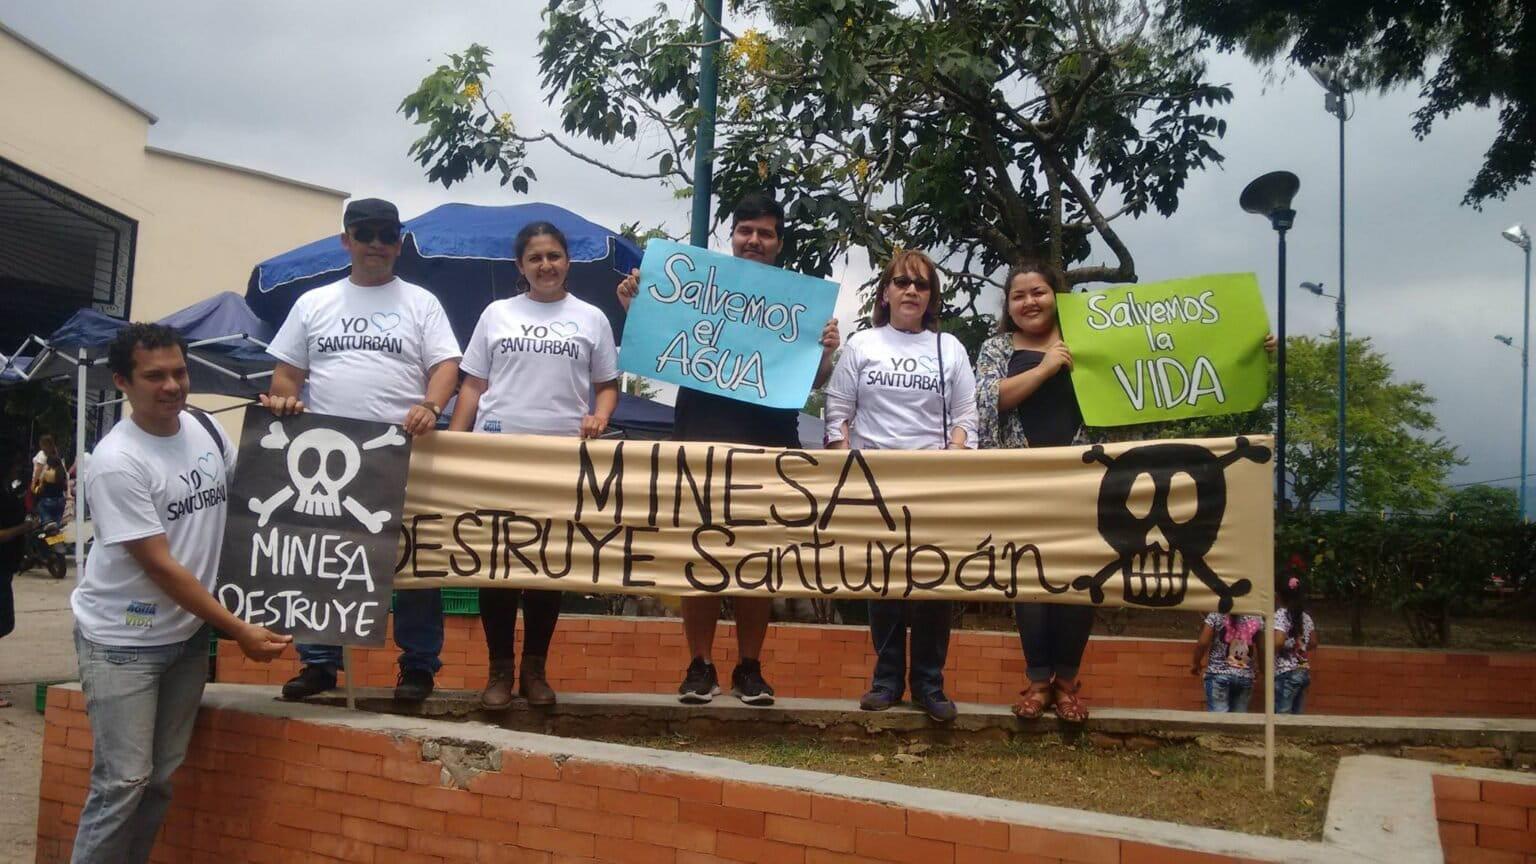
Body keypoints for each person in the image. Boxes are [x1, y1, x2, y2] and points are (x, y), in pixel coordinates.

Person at [70, 323, 290, 863]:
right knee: (122, 782)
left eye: (179, 372)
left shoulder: (203, 428)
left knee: (161, 777)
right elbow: (163, 569)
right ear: (123, 381)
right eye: (154, 376)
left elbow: (246, 494)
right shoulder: (118, 461)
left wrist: (285, 428)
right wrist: (238, 630)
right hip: (123, 642)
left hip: (185, 638)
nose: (172, 386)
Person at [616, 192, 840, 706]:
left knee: (754, 566)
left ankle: (749, 668)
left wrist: (825, 351)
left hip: (770, 448)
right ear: (732, 237)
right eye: (746, 231)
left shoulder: (798, 307)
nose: (754, 240)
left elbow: (817, 381)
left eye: (765, 233)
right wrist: (637, 308)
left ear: (778, 243)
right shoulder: (700, 288)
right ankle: (699, 666)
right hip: (699, 443)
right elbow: (653, 344)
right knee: (701, 561)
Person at [262, 197, 463, 703]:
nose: (376, 243)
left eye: (386, 234)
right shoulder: (312, 304)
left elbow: (446, 366)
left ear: (398, 244)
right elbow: (287, 372)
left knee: (415, 564)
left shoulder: (422, 303)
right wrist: (285, 398)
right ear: (346, 240)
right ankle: (319, 662)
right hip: (326, 453)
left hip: (406, 453)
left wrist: (432, 406)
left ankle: (418, 667)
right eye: (365, 232)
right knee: (324, 559)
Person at [450, 221, 619, 709]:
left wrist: (600, 416)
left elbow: (607, 385)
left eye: (554, 256)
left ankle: (535, 671)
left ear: (568, 261)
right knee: (496, 566)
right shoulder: (497, 314)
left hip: (560, 459)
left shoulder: (591, 318)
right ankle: (498, 672)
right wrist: (455, 445)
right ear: (520, 266)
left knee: (548, 568)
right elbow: (472, 385)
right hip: (495, 455)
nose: (546, 265)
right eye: (535, 258)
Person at [824, 249, 977, 722]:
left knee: (934, 585)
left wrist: (955, 458)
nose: (912, 290)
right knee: (884, 583)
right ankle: (887, 680)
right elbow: (837, 413)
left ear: (931, 297)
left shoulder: (948, 348)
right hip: (874, 483)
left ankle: (929, 684)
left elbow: (968, 417)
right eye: (902, 282)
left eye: (922, 284)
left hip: (934, 485)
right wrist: (842, 462)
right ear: (885, 292)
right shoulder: (861, 345)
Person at [974, 261, 1096, 722]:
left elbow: (1150, 367)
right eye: (1018, 295)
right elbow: (987, 400)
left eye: (1038, 292)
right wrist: (1045, 369)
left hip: (1082, 480)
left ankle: (1067, 684)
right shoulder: (996, 348)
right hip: (1022, 483)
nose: (1029, 302)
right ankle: (1038, 680)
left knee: (1081, 581)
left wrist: (1241, 349)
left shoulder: (1087, 338)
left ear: (1055, 294)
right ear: (1008, 304)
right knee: (1029, 580)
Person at [0, 453, 39, 707]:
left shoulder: (7, 491)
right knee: (3, 623)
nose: (19, 469)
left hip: (6, 567)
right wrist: (25, 528)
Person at [1192, 610, 1264, 712]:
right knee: (1239, 721)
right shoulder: (1256, 616)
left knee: (1219, 721)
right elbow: (1262, 647)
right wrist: (1262, 668)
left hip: (1218, 673)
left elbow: (1203, 642)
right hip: (1245, 676)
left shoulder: (1216, 614)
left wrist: (1196, 663)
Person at [1273, 573, 1316, 714]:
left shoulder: (1281, 614)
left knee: (1282, 715)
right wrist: (1299, 647)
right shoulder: (1306, 617)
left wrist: (1270, 652)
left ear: (1278, 595)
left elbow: (1278, 641)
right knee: (1297, 717)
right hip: (1302, 670)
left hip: (1285, 672)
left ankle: (1281, 737)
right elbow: (1314, 642)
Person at [32, 435, 67, 528]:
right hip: (60, 500)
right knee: (57, 526)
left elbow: (40, 487)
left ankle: (47, 522)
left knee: (40, 507)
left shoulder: (45, 474)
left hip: (47, 501)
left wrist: (34, 488)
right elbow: (65, 483)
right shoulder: (61, 472)